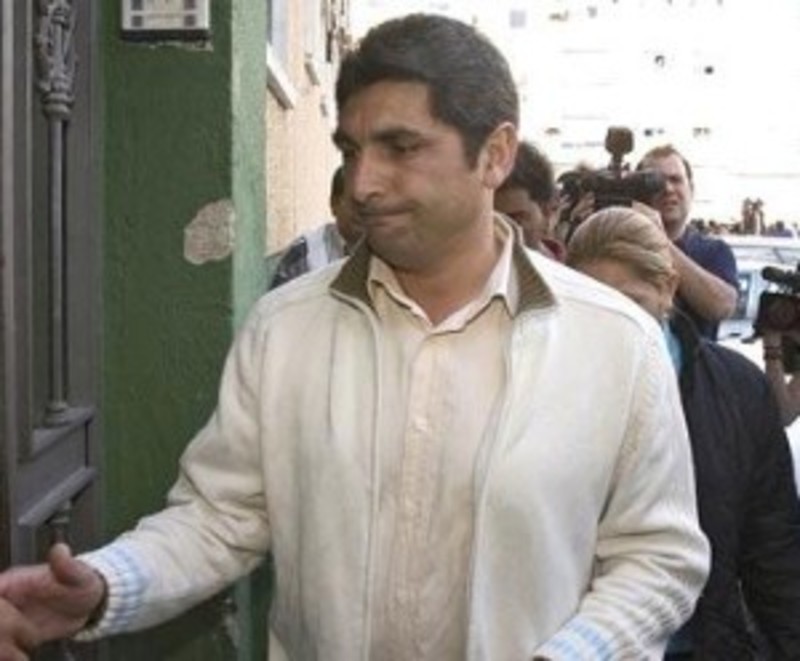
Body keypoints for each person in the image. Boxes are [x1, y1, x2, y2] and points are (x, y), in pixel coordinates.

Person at [0, 13, 709, 661]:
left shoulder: (615, 344)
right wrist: (106, 584)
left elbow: (660, 560)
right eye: (351, 148)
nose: (364, 183)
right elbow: (220, 516)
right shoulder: (285, 328)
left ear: (494, 155)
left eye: (401, 147)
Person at [567, 206, 800, 660]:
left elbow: (773, 548)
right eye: (596, 307)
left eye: (631, 305)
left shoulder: (737, 388)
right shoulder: (545, 390)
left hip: (703, 644)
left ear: (668, 289)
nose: (615, 326)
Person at [637, 144, 738, 340]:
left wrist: (659, 241)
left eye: (676, 180)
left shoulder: (714, 251)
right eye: (656, 182)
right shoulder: (622, 246)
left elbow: (722, 307)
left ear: (691, 190)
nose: (668, 189)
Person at [268, 165, 362, 288]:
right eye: (355, 202)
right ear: (334, 204)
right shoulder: (304, 254)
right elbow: (279, 300)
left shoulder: (383, 251)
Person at [493, 140, 565, 260]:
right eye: (487, 223)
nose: (498, 234)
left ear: (547, 210)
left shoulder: (579, 269)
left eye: (514, 221)